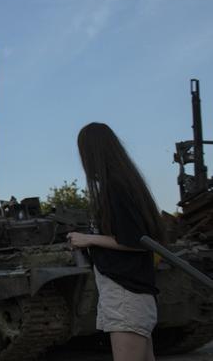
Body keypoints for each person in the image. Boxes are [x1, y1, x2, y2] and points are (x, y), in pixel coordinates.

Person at [67, 123, 166, 361]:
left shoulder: (115, 187)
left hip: (125, 292)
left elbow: (135, 240)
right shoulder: (126, 182)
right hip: (133, 290)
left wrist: (87, 238)